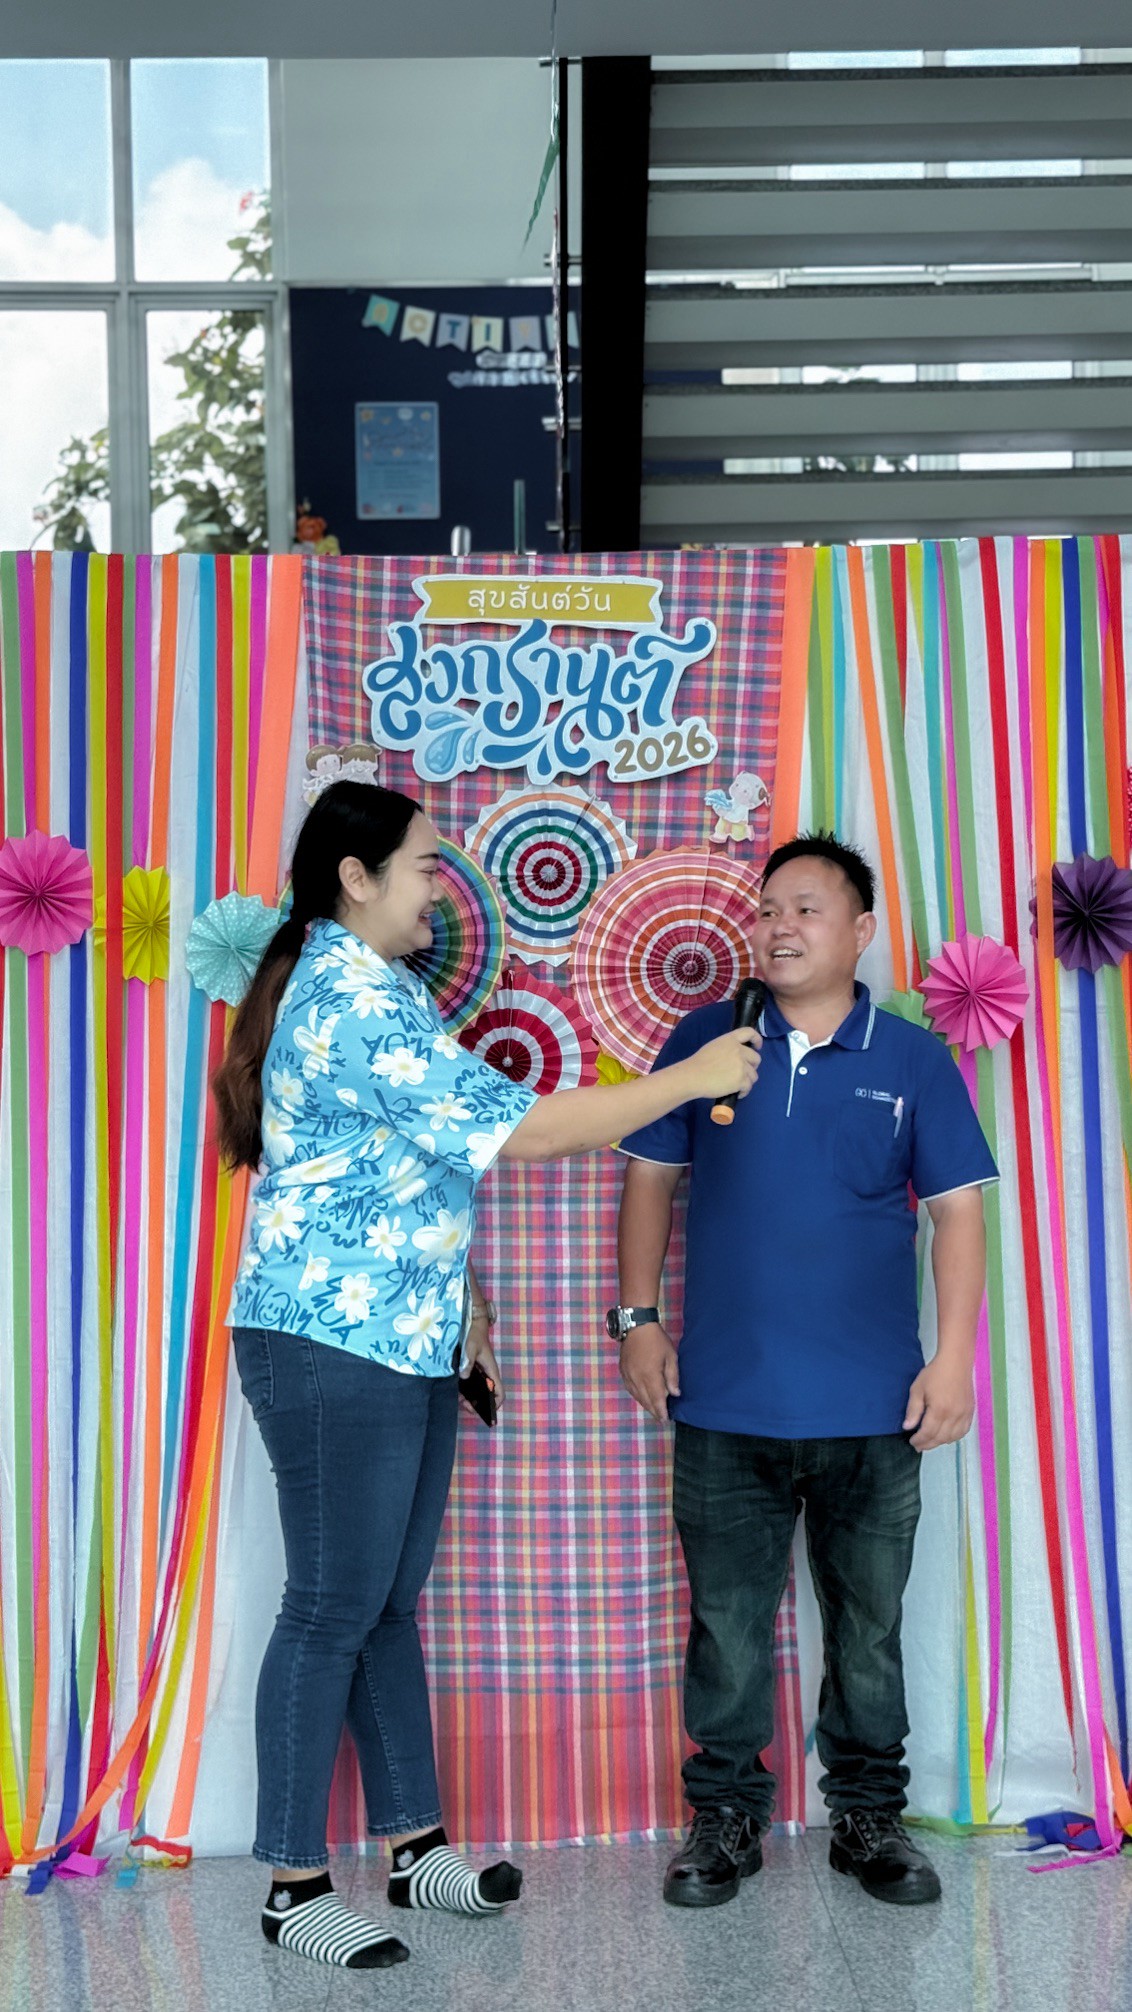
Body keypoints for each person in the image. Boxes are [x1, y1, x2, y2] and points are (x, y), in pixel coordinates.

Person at [214, 779, 758, 1974]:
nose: (438, 888)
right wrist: (689, 1075)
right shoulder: (351, 996)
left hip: (402, 1333)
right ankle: (293, 1884)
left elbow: (393, 1164)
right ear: (354, 877)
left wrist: (461, 1300)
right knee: (330, 1605)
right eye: (421, 866)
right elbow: (525, 1131)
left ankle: (415, 1847)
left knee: (386, 1602)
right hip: (327, 1340)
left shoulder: (386, 987)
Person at [612, 832, 997, 1910]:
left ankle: (868, 1815)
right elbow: (648, 1181)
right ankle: (724, 1816)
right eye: (768, 907)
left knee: (867, 1631)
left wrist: (953, 1359)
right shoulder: (707, 1038)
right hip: (723, 1402)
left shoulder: (911, 1057)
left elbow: (958, 1214)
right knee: (727, 1626)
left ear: (860, 930)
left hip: (874, 1409)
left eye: (807, 908)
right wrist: (638, 1321)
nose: (779, 926)